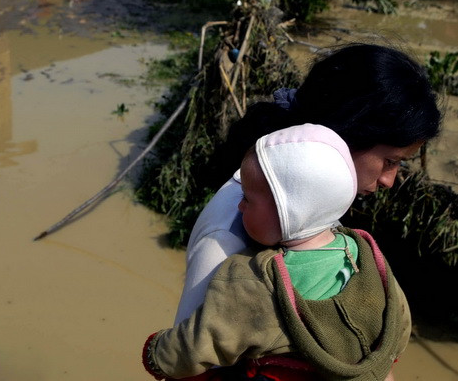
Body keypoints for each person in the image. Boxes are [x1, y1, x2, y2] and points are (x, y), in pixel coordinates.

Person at [175, 43, 441, 326]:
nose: (389, 180)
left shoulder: (315, 207)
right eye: (389, 161)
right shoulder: (230, 232)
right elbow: (191, 357)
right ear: (347, 135)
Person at [142, 124, 411, 381]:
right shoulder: (365, 251)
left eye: (247, 198)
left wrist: (156, 353)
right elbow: (399, 316)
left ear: (287, 214)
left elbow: (200, 343)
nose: (237, 208)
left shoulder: (255, 283)